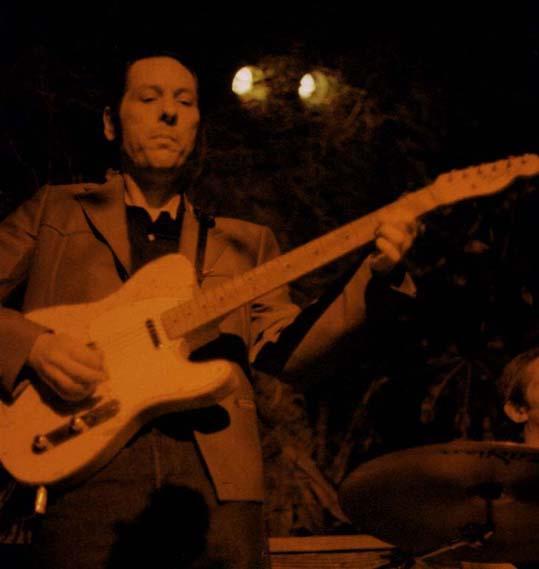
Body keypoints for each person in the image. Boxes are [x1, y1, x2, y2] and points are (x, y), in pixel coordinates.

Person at [0, 50, 418, 568]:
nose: (168, 112)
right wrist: (33, 347)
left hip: (217, 484)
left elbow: (291, 354)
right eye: (148, 98)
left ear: (197, 126)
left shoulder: (244, 243)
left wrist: (376, 275)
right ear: (110, 122)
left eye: (185, 101)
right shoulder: (55, 210)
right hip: (79, 468)